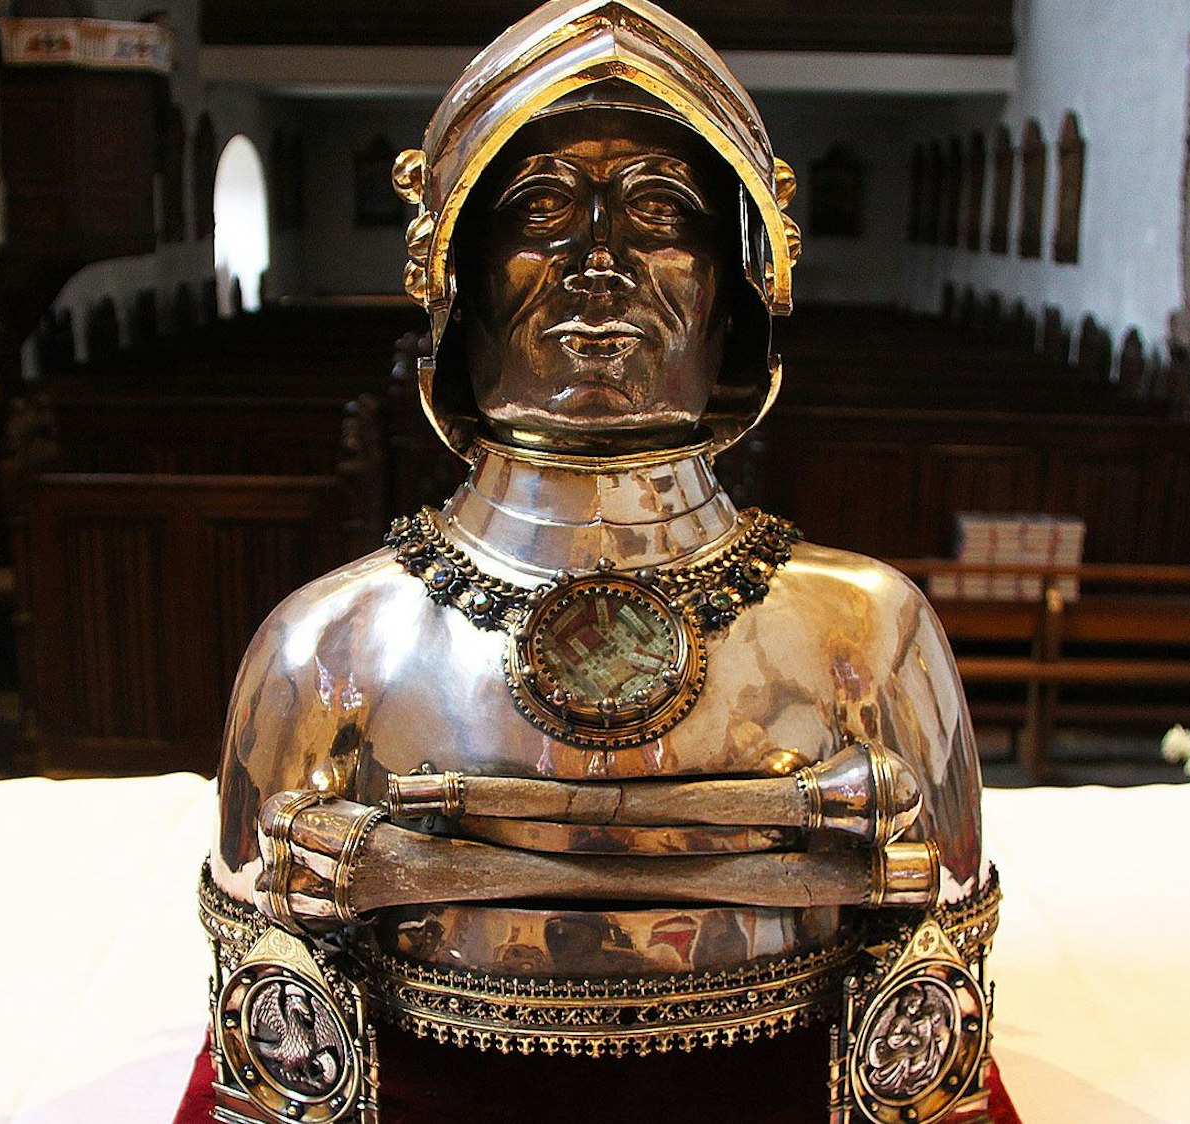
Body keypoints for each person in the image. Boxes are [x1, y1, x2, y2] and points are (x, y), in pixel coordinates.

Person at [200, 5, 997, 1121]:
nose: (600, 265)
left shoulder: (866, 630)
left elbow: (934, 968)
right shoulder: (329, 645)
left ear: (739, 282)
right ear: (454, 279)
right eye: (540, 210)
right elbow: (270, 995)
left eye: (661, 212)